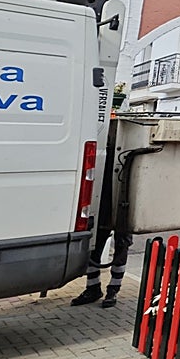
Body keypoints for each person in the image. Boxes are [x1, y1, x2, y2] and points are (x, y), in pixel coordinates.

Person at [72, 117, 132, 308]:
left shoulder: (128, 153)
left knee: (120, 250)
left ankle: (113, 291)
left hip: (123, 206)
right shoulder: (99, 152)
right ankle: (93, 288)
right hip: (102, 207)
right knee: (93, 249)